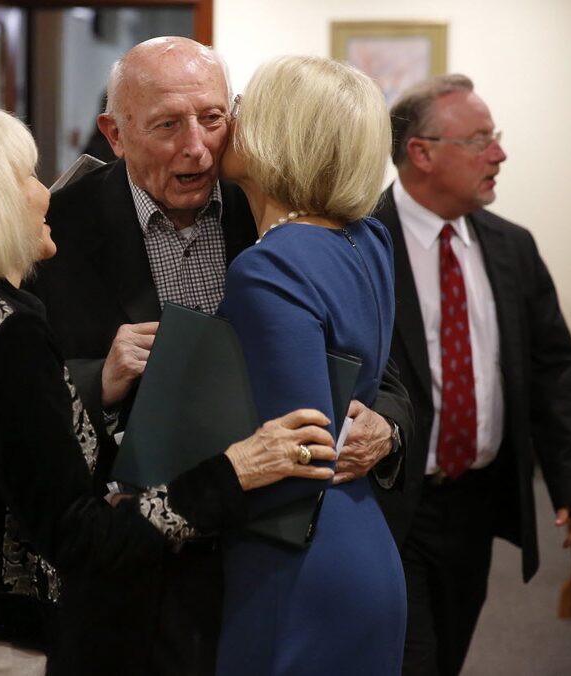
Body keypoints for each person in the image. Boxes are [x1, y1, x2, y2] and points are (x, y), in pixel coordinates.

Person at [0, 108, 338, 676]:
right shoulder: (8, 330)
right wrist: (235, 470)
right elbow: (81, 540)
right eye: (27, 177)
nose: (46, 193)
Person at [31, 36, 413, 675]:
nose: (197, 147)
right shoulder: (53, 230)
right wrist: (103, 376)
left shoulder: (274, 203)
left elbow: (382, 368)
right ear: (114, 133)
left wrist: (387, 427)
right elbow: (13, 390)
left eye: (213, 119)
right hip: (132, 574)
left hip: (269, 551)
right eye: (167, 125)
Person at [371, 73, 571, 676]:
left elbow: (554, 372)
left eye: (498, 136)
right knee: (411, 660)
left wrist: (570, 482)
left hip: (478, 501)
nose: (499, 154)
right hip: (391, 503)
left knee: (450, 653)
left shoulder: (512, 247)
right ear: (422, 153)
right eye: (479, 139)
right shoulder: (362, 240)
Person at [215, 55, 407, 676]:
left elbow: (294, 455)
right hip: (361, 541)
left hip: (295, 555)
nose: (233, 118)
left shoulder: (269, 266)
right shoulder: (367, 238)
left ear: (282, 134)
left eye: (245, 106)